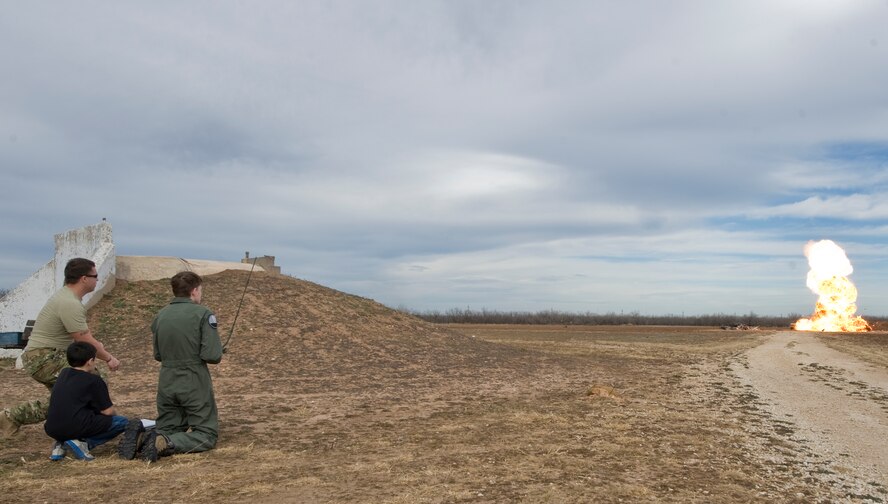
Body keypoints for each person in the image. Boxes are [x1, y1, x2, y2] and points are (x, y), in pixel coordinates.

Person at [0, 258, 120, 437]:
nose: (97, 279)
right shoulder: (69, 303)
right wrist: (109, 358)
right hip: (43, 359)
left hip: (43, 356)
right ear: (84, 278)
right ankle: (96, 422)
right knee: (92, 378)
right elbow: (84, 339)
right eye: (95, 276)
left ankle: (10, 418)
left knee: (63, 402)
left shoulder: (67, 298)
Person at [127, 271, 222, 462]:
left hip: (167, 378)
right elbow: (212, 355)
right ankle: (166, 442)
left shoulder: (161, 315)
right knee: (206, 434)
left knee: (169, 424)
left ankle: (144, 439)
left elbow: (158, 354)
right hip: (193, 378)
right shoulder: (203, 314)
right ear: (194, 291)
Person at [44, 341, 130, 461]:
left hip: (52, 428)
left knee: (78, 418)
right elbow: (108, 412)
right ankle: (83, 443)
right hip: (75, 426)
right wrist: (113, 417)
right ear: (90, 361)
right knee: (122, 422)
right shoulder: (94, 381)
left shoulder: (64, 374)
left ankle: (61, 444)